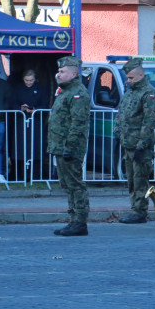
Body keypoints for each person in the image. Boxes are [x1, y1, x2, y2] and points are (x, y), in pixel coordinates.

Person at [114, 57, 155, 224]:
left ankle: (140, 211)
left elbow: (149, 121)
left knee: (140, 179)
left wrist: (142, 145)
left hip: (141, 145)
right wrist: (117, 131)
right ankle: (135, 208)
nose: (128, 80)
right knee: (132, 179)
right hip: (128, 143)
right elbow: (122, 114)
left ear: (141, 75)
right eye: (128, 77)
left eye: (131, 77)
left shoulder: (149, 93)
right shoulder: (131, 92)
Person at [49, 57, 91, 236]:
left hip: (70, 147)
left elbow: (78, 123)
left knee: (75, 185)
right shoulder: (65, 91)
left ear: (74, 73)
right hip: (60, 145)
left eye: (63, 71)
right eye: (59, 71)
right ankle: (74, 220)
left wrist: (70, 146)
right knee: (67, 185)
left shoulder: (78, 93)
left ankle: (80, 222)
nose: (59, 74)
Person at [10, 69, 50, 182]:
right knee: (20, 148)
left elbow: (45, 104)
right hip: (20, 123)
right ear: (23, 79)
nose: (29, 82)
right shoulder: (17, 89)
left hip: (36, 123)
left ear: (35, 79)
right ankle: (19, 175)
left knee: (36, 148)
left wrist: (36, 110)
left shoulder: (41, 89)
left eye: (31, 80)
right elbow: (12, 104)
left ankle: (36, 175)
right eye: (27, 80)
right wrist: (20, 108)